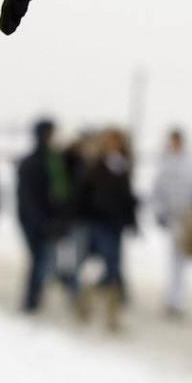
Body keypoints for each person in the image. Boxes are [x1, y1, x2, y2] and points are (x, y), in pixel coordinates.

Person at [73, 128, 137, 331]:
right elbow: (82, 195)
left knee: (114, 270)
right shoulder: (95, 167)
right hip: (97, 224)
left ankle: (112, 315)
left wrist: (131, 220)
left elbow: (127, 197)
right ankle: (85, 304)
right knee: (95, 267)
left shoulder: (122, 167)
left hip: (114, 225)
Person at [16, 120, 73, 313]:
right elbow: (27, 198)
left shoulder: (56, 160)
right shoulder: (32, 162)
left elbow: (62, 193)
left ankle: (35, 298)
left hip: (51, 221)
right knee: (39, 261)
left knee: (46, 261)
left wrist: (60, 218)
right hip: (36, 223)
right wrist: (41, 221)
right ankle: (31, 301)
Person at [150, 128, 192, 318]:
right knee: (174, 262)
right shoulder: (165, 164)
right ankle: (173, 299)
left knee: (182, 262)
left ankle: (179, 300)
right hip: (172, 219)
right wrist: (160, 213)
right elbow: (157, 191)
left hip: (187, 219)